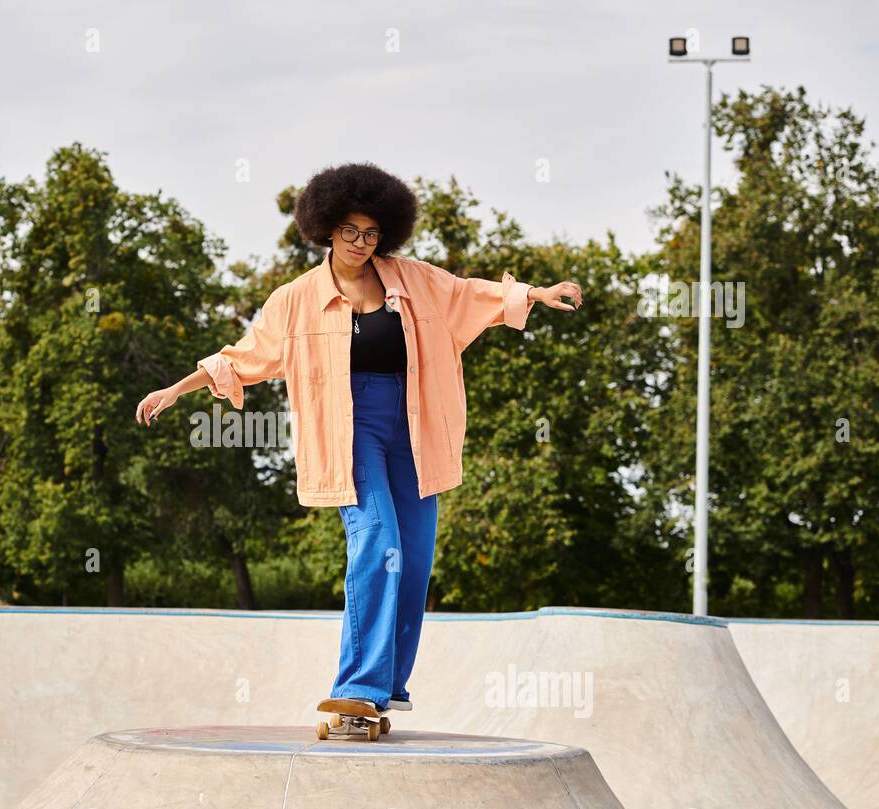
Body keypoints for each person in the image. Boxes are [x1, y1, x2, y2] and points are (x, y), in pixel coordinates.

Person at [135, 162, 582, 715]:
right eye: (350, 230)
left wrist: (537, 292)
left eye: (371, 233)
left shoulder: (411, 278)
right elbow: (243, 357)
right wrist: (176, 389)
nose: (360, 243)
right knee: (379, 540)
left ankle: (389, 684)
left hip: (415, 423)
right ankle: (357, 686)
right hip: (352, 428)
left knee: (415, 558)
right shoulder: (296, 299)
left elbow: (469, 295)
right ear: (326, 227)